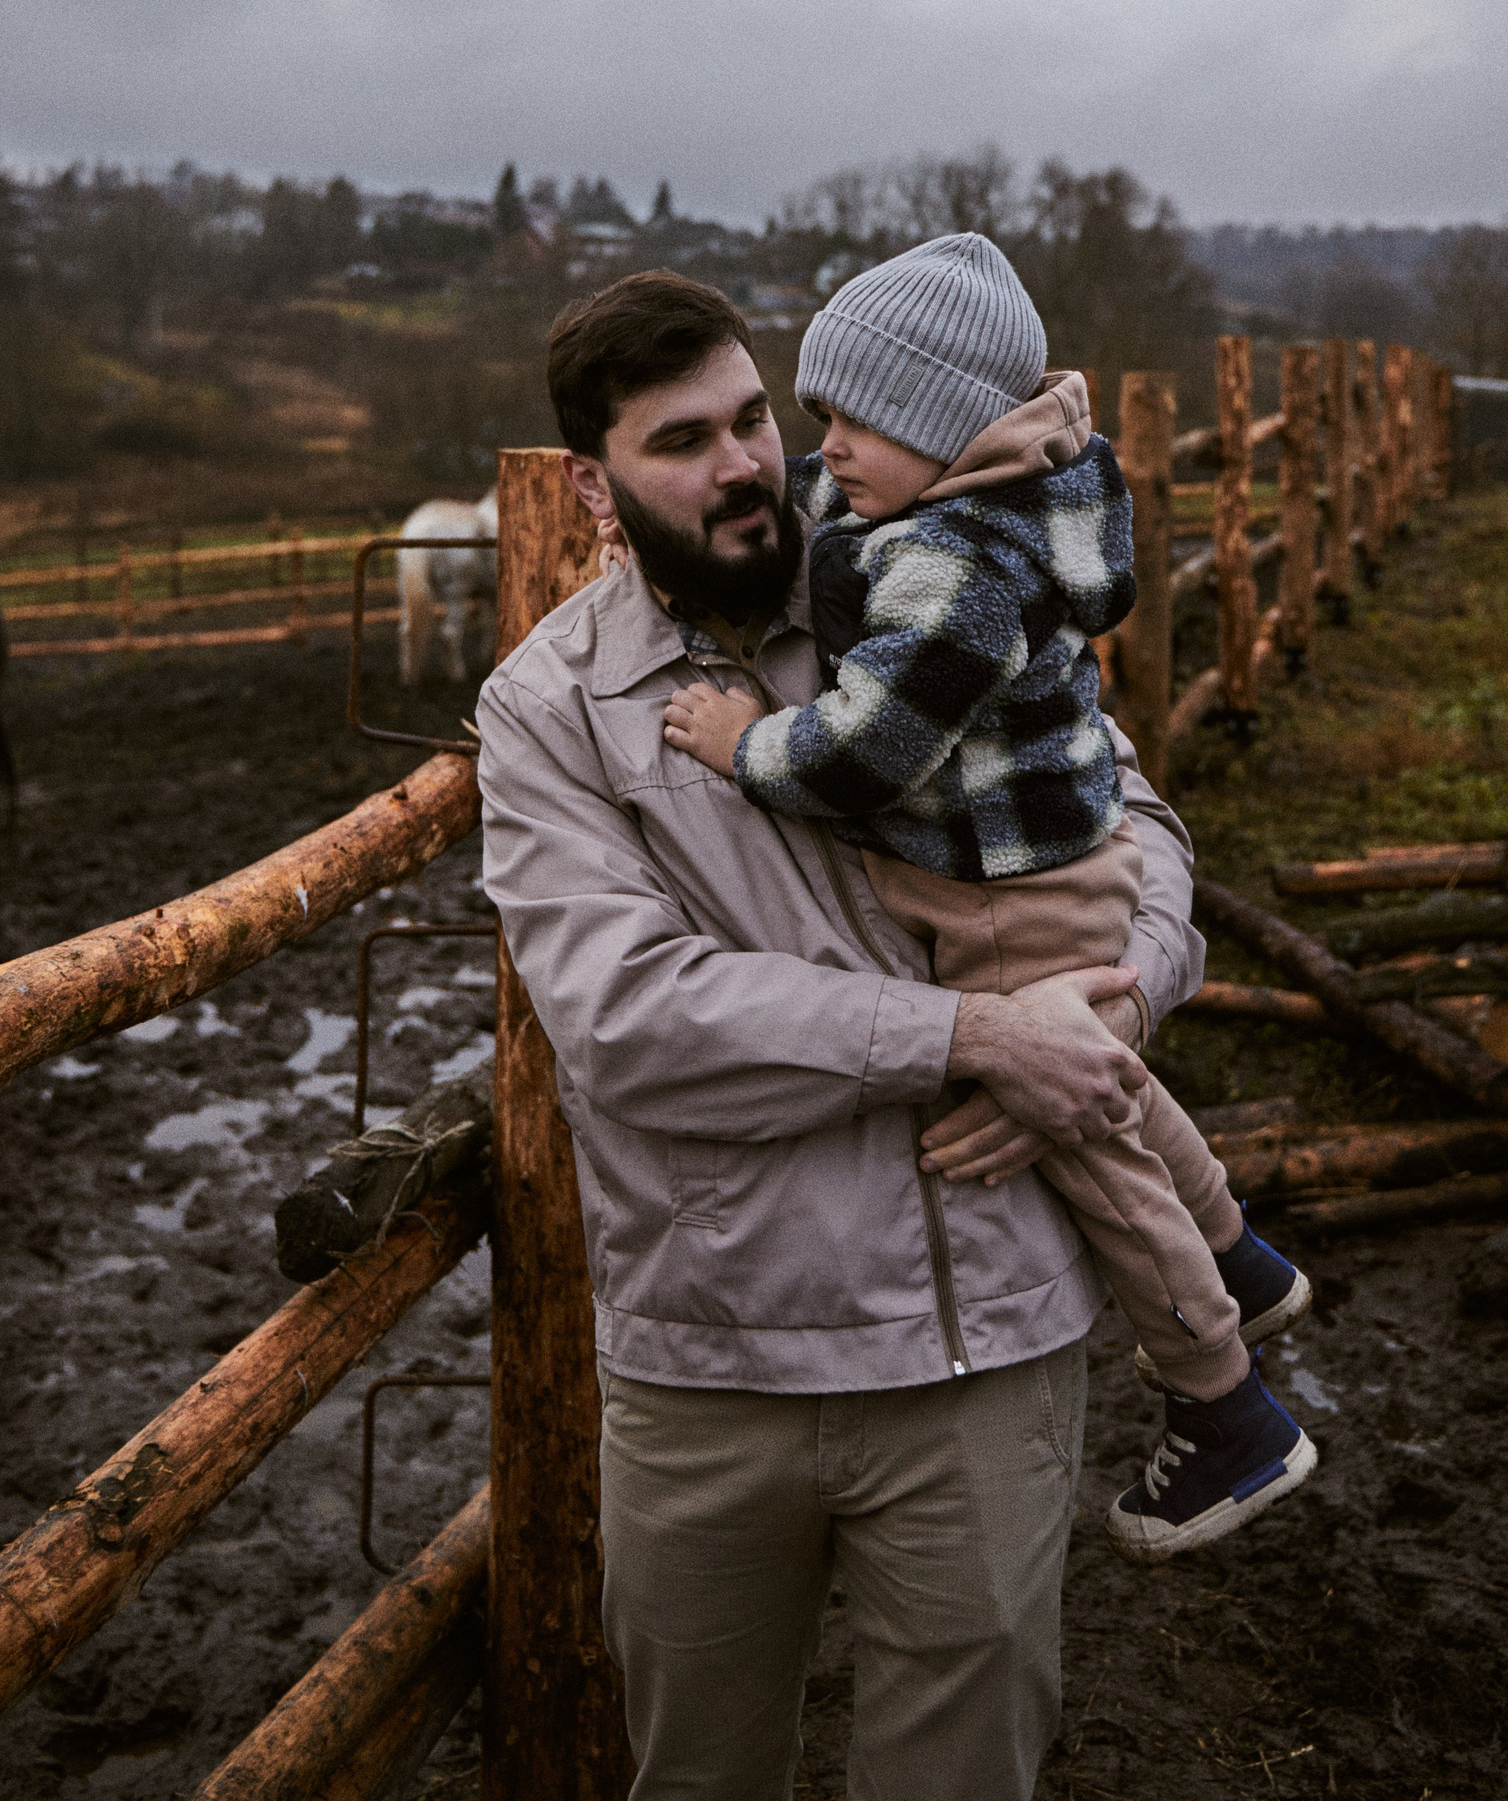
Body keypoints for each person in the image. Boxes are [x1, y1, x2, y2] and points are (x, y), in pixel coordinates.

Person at [476, 268, 1213, 1801]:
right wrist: (973, 1038)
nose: (747, 464)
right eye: (683, 442)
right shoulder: (550, 710)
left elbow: (1133, 821)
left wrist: (1119, 1001)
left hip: (986, 1337)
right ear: (593, 485)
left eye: (755, 418)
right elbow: (628, 1020)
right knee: (701, 1778)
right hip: (712, 1363)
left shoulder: (929, 572)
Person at [662, 231, 1315, 1563]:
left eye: (853, 423)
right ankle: (1240, 1257)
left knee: (1084, 1137)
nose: (826, 450)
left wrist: (741, 743)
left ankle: (1225, 1404)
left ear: (943, 428)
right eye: (818, 418)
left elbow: (865, 755)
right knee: (1111, 1084)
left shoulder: (954, 566)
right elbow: (841, 503)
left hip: (1009, 888)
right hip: (1058, 859)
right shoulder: (1001, 491)